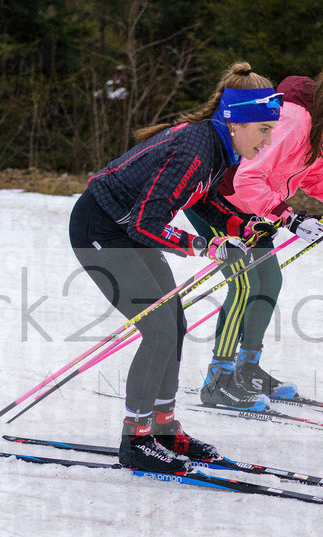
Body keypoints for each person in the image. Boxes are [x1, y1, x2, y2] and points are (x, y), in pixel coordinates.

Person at [68, 62, 281, 474]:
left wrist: (243, 224)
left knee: (175, 325)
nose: (267, 141)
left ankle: (164, 428)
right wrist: (205, 245)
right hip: (101, 228)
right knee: (158, 330)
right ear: (235, 121)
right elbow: (146, 222)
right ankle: (136, 439)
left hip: (128, 230)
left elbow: (200, 198)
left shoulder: (219, 146)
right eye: (263, 129)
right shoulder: (195, 148)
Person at [185, 54, 323, 410]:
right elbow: (248, 177)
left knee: (268, 282)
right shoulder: (295, 118)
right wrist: (289, 218)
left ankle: (247, 369)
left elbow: (312, 179)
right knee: (244, 284)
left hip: (258, 209)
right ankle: (219, 378)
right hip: (219, 200)